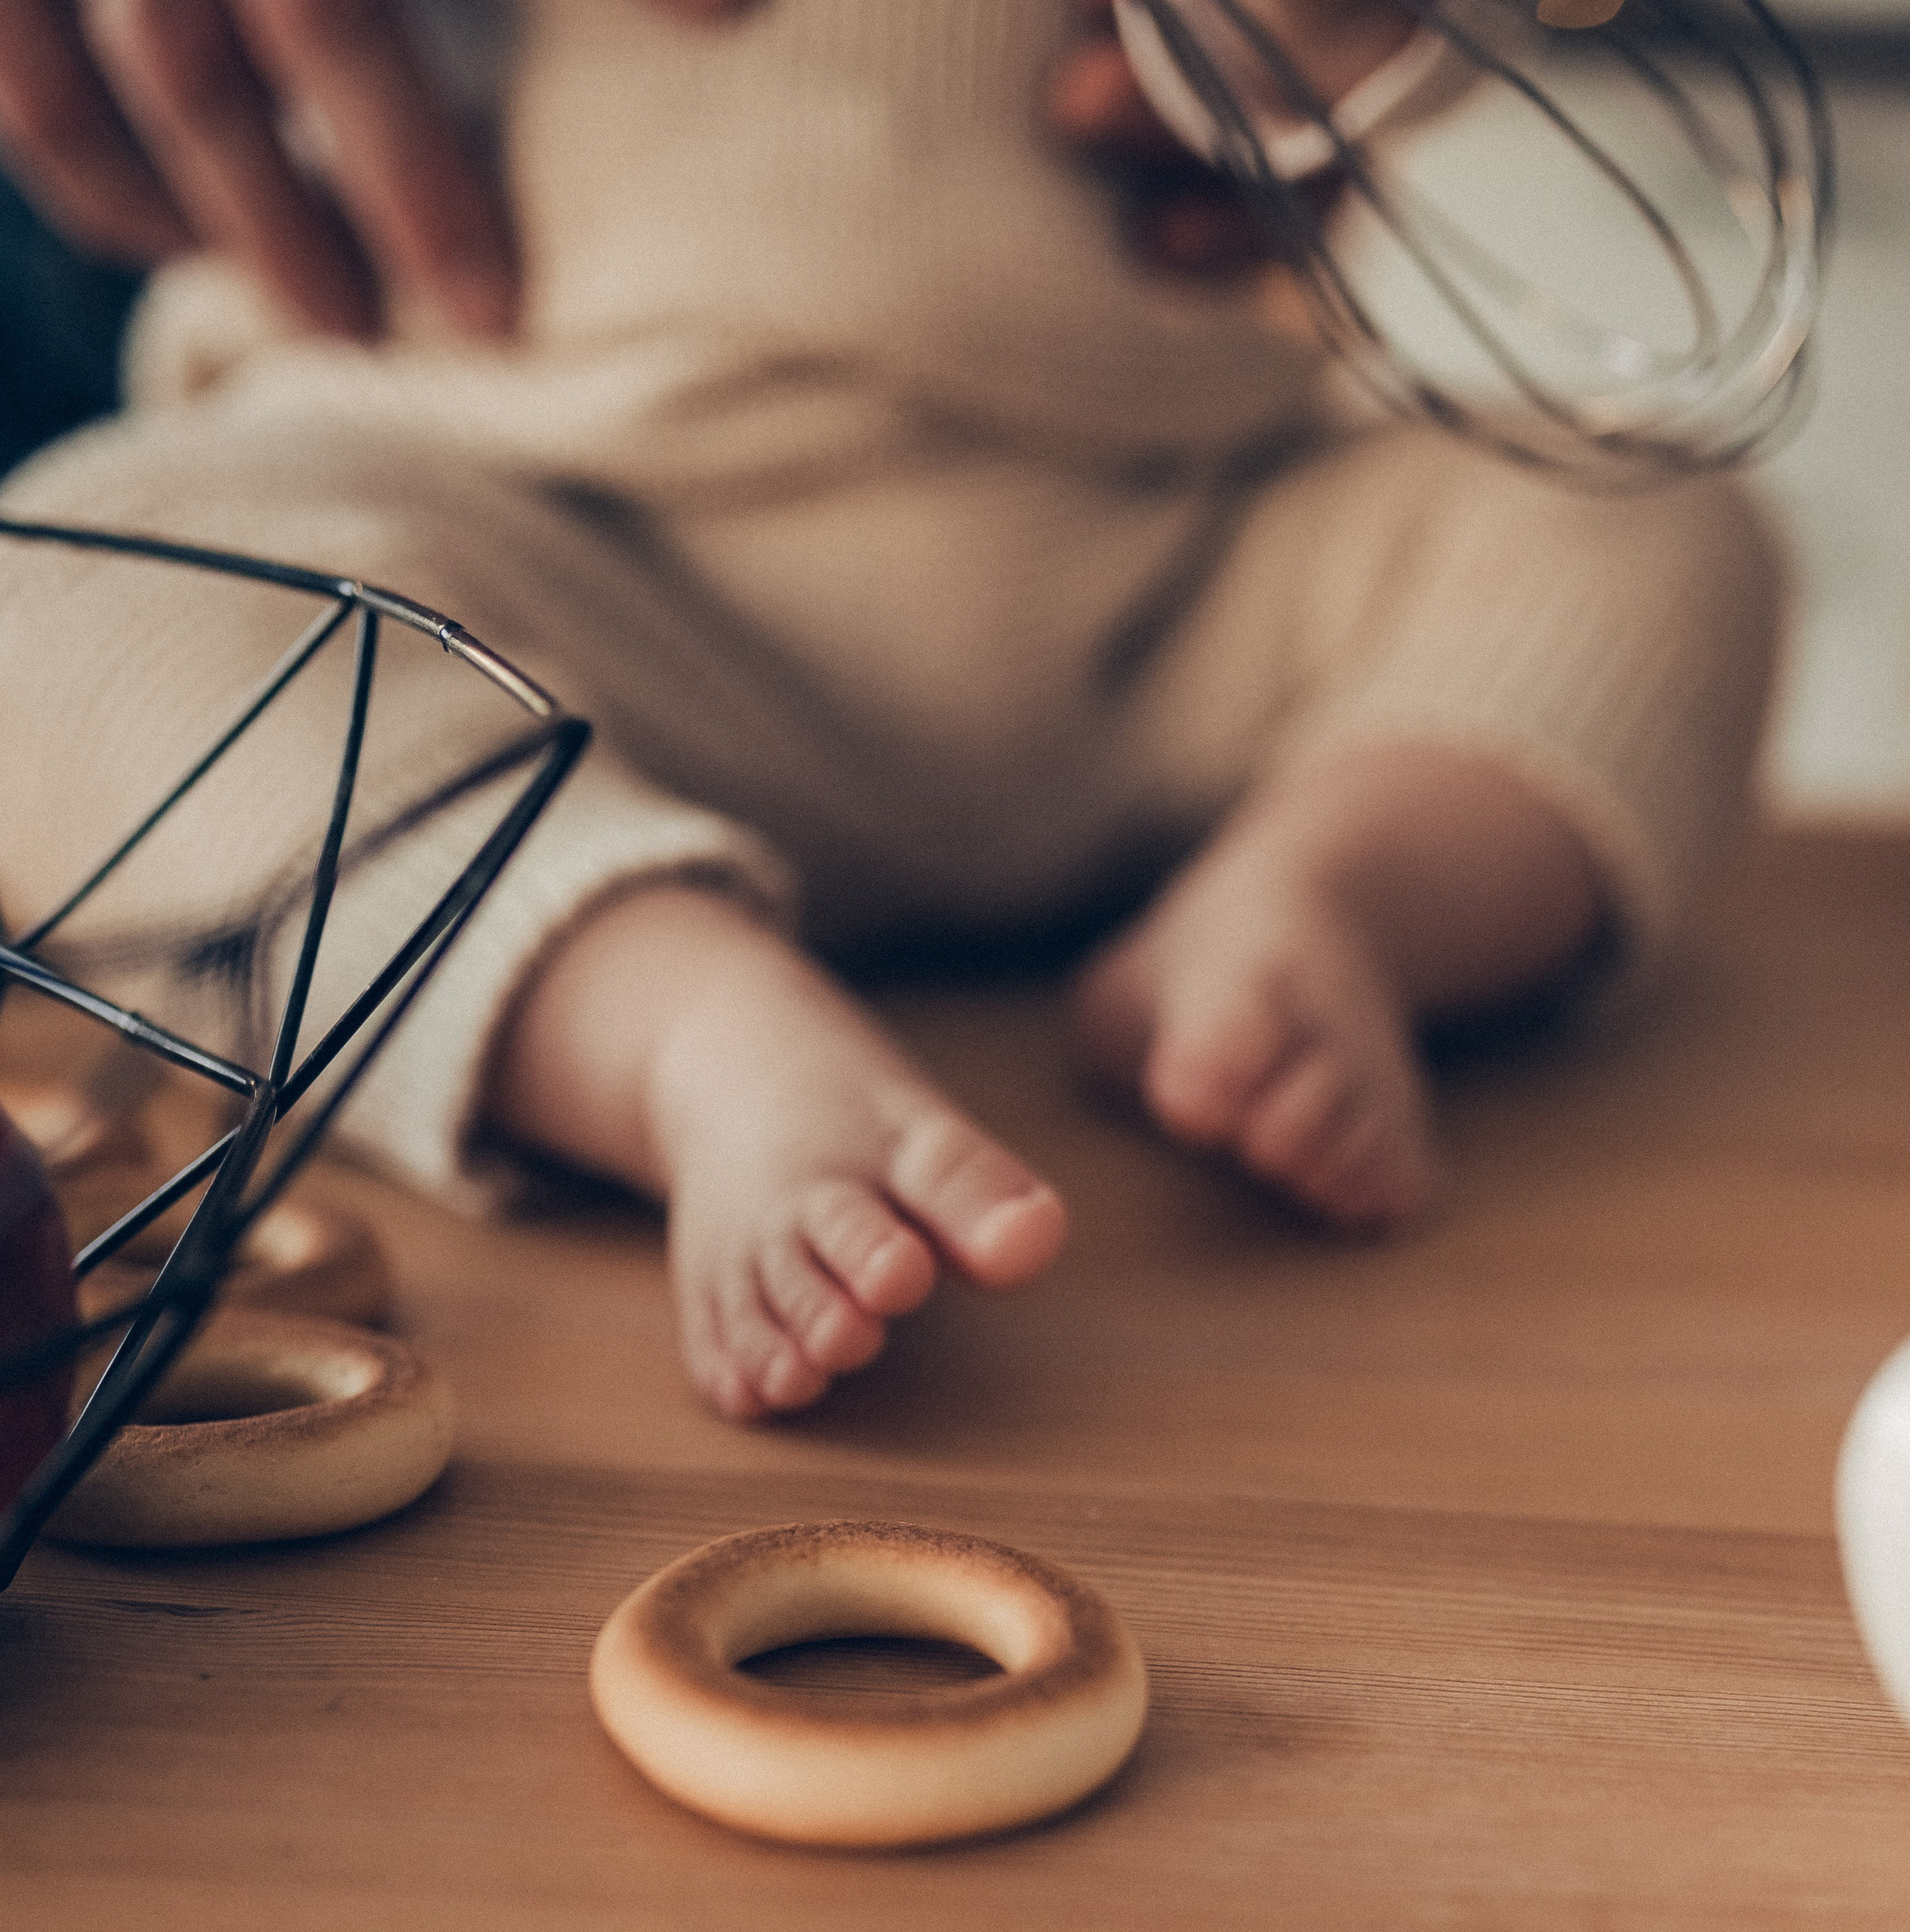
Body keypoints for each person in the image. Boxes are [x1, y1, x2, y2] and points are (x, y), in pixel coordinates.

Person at [0, 0, 1779, 1421]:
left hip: (1162, 559)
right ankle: (676, 1028)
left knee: (1646, 519)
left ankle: (1321, 895)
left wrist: (1330, 41)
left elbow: (1392, 58)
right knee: (64, 596)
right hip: (554, 549)